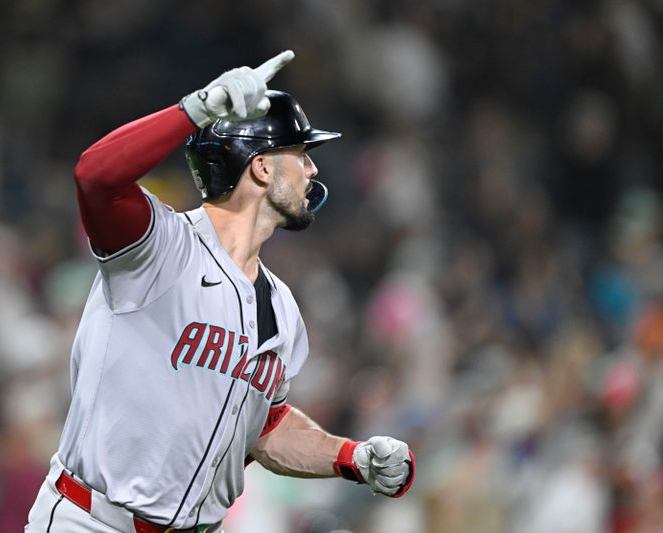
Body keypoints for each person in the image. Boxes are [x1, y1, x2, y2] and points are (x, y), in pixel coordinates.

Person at [25, 51, 414, 533]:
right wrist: (194, 110)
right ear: (263, 168)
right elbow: (96, 177)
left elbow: (265, 429)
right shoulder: (159, 247)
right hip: (93, 521)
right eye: (302, 154)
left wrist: (349, 455)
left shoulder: (282, 309)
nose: (313, 170)